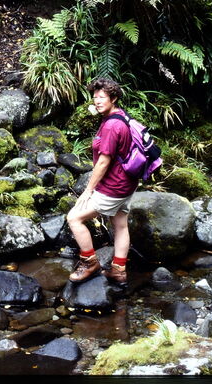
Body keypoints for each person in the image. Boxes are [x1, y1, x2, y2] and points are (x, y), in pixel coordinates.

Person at [65, 77, 137, 285]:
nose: (97, 101)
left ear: (113, 98)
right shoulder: (121, 116)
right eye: (95, 97)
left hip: (113, 186)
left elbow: (104, 162)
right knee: (120, 225)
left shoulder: (112, 126)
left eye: (102, 97)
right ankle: (118, 271)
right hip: (127, 183)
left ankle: (89, 262)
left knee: (74, 218)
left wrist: (88, 190)